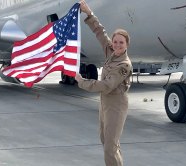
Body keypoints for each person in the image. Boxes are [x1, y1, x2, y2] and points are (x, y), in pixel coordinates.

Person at [75, 1, 133, 166]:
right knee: (106, 140)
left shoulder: (124, 65)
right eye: (115, 41)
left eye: (121, 43)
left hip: (116, 103)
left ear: (127, 45)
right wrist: (89, 13)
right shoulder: (111, 51)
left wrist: (82, 82)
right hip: (105, 102)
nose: (117, 45)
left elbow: (107, 85)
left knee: (110, 146)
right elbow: (100, 32)